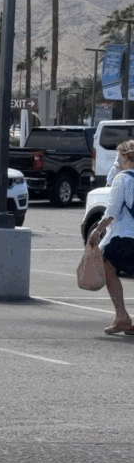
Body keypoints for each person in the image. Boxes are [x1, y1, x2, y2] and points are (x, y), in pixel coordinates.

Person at [88, 139, 134, 334]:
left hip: (124, 237)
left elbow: (112, 210)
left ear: (124, 158)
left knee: (107, 267)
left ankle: (122, 316)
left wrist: (97, 230)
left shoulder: (122, 179)